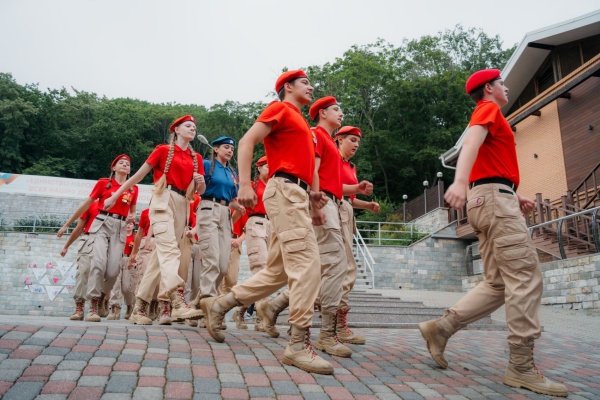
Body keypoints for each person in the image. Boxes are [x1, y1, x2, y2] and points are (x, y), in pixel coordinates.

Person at [418, 69, 568, 397]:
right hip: (493, 202)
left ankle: (440, 329)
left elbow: (489, 165)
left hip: (487, 198)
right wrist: (459, 181)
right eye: (502, 83)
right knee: (525, 277)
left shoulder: (491, 115)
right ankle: (521, 367)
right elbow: (470, 143)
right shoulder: (488, 109)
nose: (507, 87)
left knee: (498, 283)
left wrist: (515, 193)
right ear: (489, 88)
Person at [200, 70, 334, 375]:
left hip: (297, 194)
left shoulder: (302, 123)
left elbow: (305, 167)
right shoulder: (280, 109)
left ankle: (220, 305)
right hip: (285, 190)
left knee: (279, 271)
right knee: (308, 265)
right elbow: (247, 141)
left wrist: (313, 197)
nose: (311, 86)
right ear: (288, 86)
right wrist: (245, 184)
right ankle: (297, 345)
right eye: (305, 82)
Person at [104, 115, 206, 325]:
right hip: (163, 199)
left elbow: (201, 191)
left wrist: (201, 181)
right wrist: (115, 196)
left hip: (183, 204)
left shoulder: (196, 158)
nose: (192, 129)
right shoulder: (163, 150)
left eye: (194, 127)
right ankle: (177, 300)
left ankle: (139, 307)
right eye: (188, 126)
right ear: (176, 130)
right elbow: (138, 176)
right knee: (170, 250)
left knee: (159, 259)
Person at [59, 154, 138, 322]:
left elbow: (133, 210)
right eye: (121, 163)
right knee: (95, 265)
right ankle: (92, 305)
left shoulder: (133, 188)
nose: (125, 165)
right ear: (113, 167)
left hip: (120, 227)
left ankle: (101, 296)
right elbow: (85, 206)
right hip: (101, 224)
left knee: (113, 271)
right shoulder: (104, 183)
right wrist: (66, 225)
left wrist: (132, 216)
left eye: (128, 164)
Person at [335, 125, 380, 345]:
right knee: (346, 269)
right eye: (352, 140)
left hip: (346, 212)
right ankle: (337, 325)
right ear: (339, 139)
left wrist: (368, 205)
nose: (356, 145)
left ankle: (277, 306)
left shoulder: (351, 166)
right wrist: (357, 189)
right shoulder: (333, 158)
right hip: (335, 210)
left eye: (358, 142)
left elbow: (350, 198)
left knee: (339, 269)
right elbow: (331, 187)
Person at [196, 136, 245, 302]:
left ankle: (201, 300)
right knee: (212, 260)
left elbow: (230, 199)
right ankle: (207, 301)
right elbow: (199, 189)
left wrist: (238, 207)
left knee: (223, 266)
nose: (230, 151)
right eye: (226, 147)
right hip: (209, 208)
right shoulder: (207, 165)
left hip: (225, 213)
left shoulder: (232, 173)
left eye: (232, 149)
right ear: (216, 149)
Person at [57, 200, 99, 320]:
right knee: (83, 272)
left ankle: (95, 306)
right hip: (88, 240)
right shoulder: (91, 205)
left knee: (99, 274)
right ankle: (79, 307)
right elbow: (79, 227)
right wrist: (66, 246)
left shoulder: (117, 206)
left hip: (106, 242)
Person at [245, 155, 271, 332]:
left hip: (272, 224)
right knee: (260, 267)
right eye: (267, 166)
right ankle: (262, 317)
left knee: (269, 270)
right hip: (256, 222)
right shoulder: (252, 186)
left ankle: (242, 308)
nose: (270, 169)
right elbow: (242, 209)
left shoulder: (274, 186)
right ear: (259, 168)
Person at [219, 207, 248, 329]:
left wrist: (239, 240)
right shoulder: (222, 204)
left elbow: (247, 229)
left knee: (231, 280)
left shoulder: (241, 206)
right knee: (218, 280)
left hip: (235, 243)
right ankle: (218, 315)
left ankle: (222, 310)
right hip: (221, 240)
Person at [107, 220, 136, 320]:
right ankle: (114, 309)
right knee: (115, 285)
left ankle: (129, 306)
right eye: (127, 223)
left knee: (127, 287)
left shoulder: (135, 237)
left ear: (134, 226)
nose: (128, 225)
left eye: (131, 224)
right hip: (118, 258)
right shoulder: (119, 235)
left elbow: (138, 250)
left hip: (129, 260)